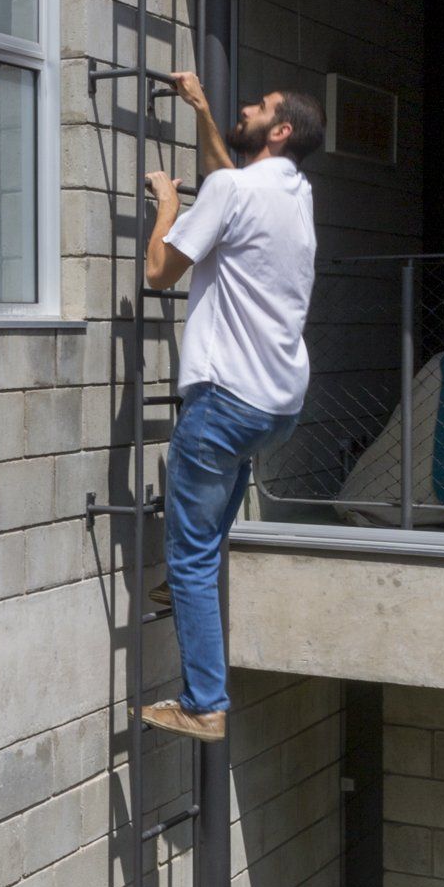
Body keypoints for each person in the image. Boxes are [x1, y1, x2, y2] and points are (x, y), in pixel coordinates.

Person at [140, 72, 325, 740]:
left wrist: (167, 205)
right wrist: (200, 110)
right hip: (276, 408)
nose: (247, 106)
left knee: (190, 556)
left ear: (280, 130)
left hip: (224, 402)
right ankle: (184, 590)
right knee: (201, 541)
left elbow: (159, 271)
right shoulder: (296, 194)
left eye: (261, 106)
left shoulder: (232, 192)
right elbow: (230, 183)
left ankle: (203, 704)